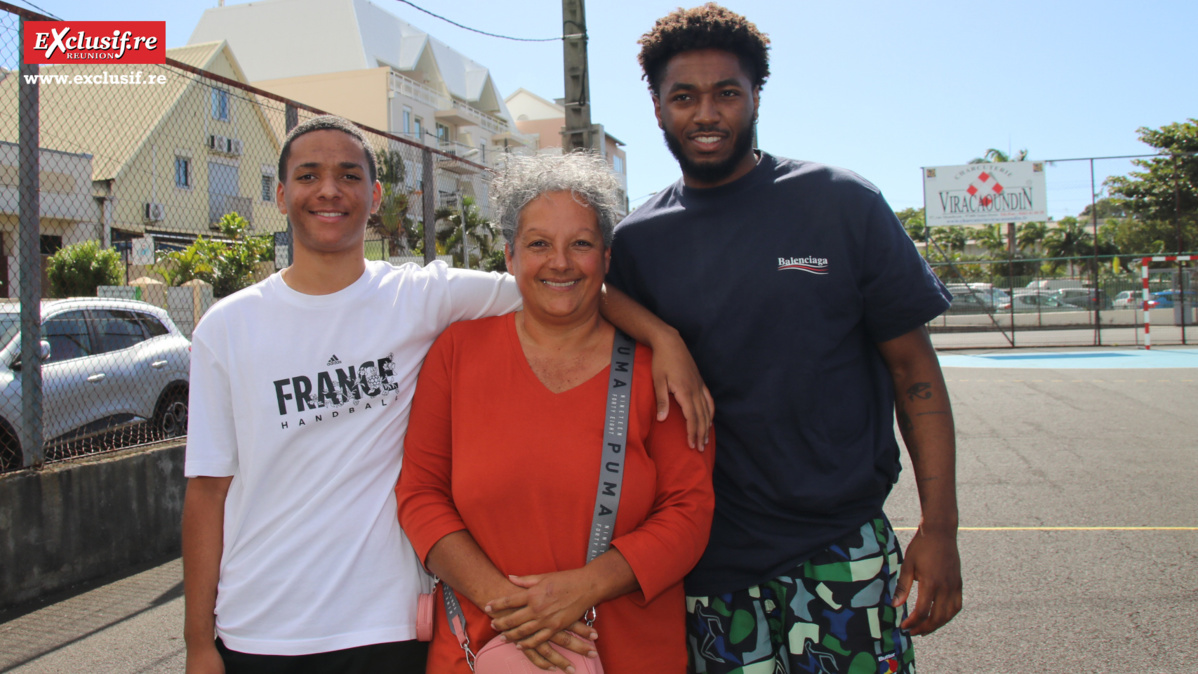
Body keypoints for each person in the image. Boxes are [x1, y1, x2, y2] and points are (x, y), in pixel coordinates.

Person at [181, 115, 712, 674]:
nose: (330, 190)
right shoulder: (227, 328)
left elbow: (561, 287)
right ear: (282, 193)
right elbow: (207, 492)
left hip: (383, 626)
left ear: (376, 193)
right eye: (309, 175)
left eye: (348, 175)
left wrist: (661, 337)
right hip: (260, 628)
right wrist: (198, 642)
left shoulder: (420, 299)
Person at [605, 5, 964, 672]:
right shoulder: (638, 242)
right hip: (708, 564)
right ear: (657, 108)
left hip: (840, 545)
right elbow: (579, 295)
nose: (706, 114)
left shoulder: (840, 202)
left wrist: (939, 526)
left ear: (755, 97)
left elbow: (915, 373)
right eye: (684, 97)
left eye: (726, 94)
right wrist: (662, 333)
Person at [396, 152, 716, 673]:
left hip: (629, 655)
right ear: (509, 257)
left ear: (607, 259)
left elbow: (689, 512)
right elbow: (420, 495)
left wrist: (585, 588)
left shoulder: (658, 372)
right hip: (480, 651)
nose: (560, 262)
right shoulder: (457, 353)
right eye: (539, 243)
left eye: (581, 244)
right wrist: (510, 608)